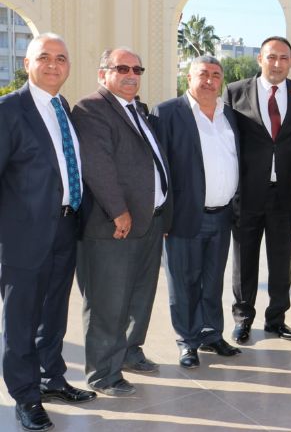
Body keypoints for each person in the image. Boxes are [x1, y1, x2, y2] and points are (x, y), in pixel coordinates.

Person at [0, 33, 96, 431]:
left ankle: (51, 378)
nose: (53, 64)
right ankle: (25, 396)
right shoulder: (9, 110)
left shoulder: (63, 108)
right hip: (23, 235)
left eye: (61, 58)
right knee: (21, 319)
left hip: (65, 226)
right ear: (27, 64)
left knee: (53, 312)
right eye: (44, 57)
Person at [73, 47, 173, 396]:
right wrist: (118, 210)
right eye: (122, 68)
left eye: (137, 69)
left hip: (149, 222)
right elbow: (97, 165)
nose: (132, 75)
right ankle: (103, 373)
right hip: (113, 225)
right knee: (108, 301)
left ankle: (130, 351)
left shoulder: (137, 109)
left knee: (139, 296)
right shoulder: (91, 108)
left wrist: (164, 214)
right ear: (103, 74)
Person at [151, 56, 241, 368]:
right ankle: (187, 341)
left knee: (213, 280)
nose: (209, 81)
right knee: (183, 283)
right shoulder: (167, 113)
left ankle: (211, 334)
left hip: (223, 215)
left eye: (216, 75)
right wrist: (162, 216)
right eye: (203, 74)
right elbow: (158, 168)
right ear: (188, 78)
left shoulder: (229, 115)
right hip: (184, 216)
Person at [224, 36, 291, 343]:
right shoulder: (235, 92)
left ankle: (276, 319)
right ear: (260, 59)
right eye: (271, 57)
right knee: (244, 259)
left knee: (281, 259)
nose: (277, 63)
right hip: (247, 192)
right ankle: (243, 318)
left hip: (285, 193)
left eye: (283, 58)